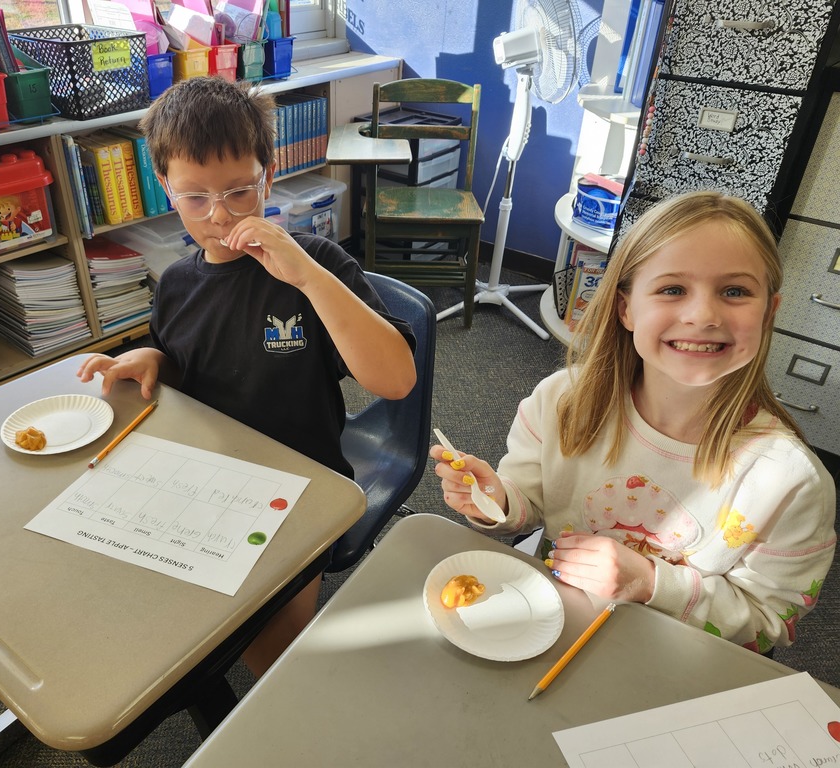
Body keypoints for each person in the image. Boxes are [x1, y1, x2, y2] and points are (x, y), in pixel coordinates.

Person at [78, 77, 417, 675]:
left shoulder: (318, 265)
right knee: (140, 614)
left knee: (270, 657)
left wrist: (308, 276)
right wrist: (155, 361)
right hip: (204, 480)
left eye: (239, 191)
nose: (219, 215)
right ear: (166, 188)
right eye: (195, 197)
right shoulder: (176, 284)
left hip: (301, 491)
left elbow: (395, 381)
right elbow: (189, 365)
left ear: (268, 174)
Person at [431, 191, 836, 653]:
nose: (703, 316)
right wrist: (496, 498)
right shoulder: (562, 401)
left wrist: (650, 582)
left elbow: (770, 621)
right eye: (672, 289)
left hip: (674, 657)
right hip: (553, 624)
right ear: (626, 309)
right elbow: (533, 504)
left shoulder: (792, 482)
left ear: (768, 312)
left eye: (735, 291)